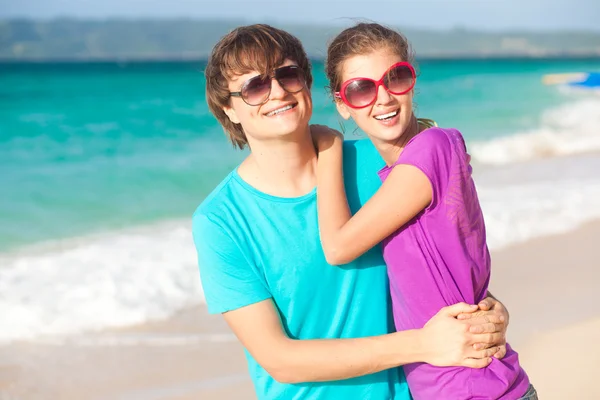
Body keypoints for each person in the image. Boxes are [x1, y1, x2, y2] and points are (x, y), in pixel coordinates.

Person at [193, 24, 512, 400]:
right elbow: (280, 360)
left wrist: (486, 309)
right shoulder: (221, 220)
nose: (277, 91)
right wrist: (423, 344)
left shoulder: (380, 162)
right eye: (255, 86)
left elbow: (442, 251)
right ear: (228, 108)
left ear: (308, 85)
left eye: (287, 74)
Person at [313, 22, 536, 399]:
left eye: (394, 78)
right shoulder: (404, 173)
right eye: (361, 88)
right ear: (343, 104)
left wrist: (327, 149)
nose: (382, 97)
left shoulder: (432, 147)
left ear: (411, 83)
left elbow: (337, 247)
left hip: (478, 390)